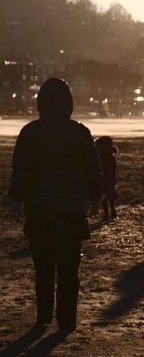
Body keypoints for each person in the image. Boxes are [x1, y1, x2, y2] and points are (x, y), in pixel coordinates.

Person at [8, 77, 101, 330]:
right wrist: (95, 197)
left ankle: (44, 316)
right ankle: (67, 320)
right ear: (68, 103)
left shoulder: (31, 132)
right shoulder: (80, 132)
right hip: (71, 209)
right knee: (69, 269)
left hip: (40, 209)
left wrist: (15, 200)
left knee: (44, 267)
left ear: (41, 103)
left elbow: (21, 170)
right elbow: (92, 169)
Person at [94, 136, 118, 220]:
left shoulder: (101, 157)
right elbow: (113, 168)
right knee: (110, 197)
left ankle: (107, 213)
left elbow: (100, 168)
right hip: (111, 179)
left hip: (104, 179)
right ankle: (113, 211)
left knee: (104, 197)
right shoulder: (111, 157)